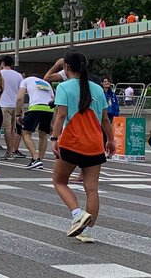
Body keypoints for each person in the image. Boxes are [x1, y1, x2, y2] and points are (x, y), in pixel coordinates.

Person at [50, 50, 115, 242]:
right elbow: (105, 119)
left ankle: (77, 214)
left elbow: (61, 115)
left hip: (72, 142)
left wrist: (54, 138)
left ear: (66, 67)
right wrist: (111, 140)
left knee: (60, 181)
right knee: (92, 189)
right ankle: (86, 232)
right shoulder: (98, 89)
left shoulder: (64, 87)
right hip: (95, 143)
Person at [16, 73, 55, 169]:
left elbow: (20, 98)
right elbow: (54, 100)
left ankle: (35, 158)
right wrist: (52, 122)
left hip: (35, 107)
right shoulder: (46, 83)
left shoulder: (26, 80)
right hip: (49, 109)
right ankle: (39, 159)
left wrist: (18, 114)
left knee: (25, 132)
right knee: (43, 134)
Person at [0, 55, 24, 159]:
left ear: (2, 63)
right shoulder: (18, 75)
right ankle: (12, 150)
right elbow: (21, 91)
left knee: (6, 129)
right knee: (13, 128)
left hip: (3, 104)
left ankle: (9, 151)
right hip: (15, 104)